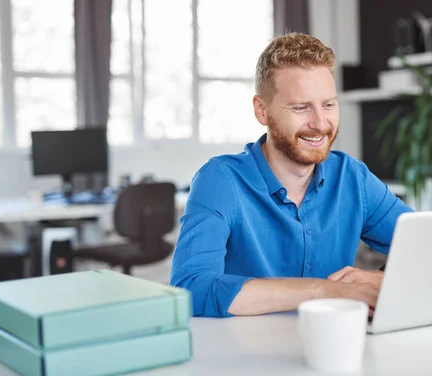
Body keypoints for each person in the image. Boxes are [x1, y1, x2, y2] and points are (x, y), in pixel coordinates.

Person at [170, 32, 413, 317]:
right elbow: (191, 289)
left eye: (329, 105)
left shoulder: (352, 177)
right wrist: (324, 291)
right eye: (301, 107)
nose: (320, 123)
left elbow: (427, 246)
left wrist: (382, 279)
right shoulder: (220, 181)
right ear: (262, 111)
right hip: (243, 355)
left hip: (333, 348)